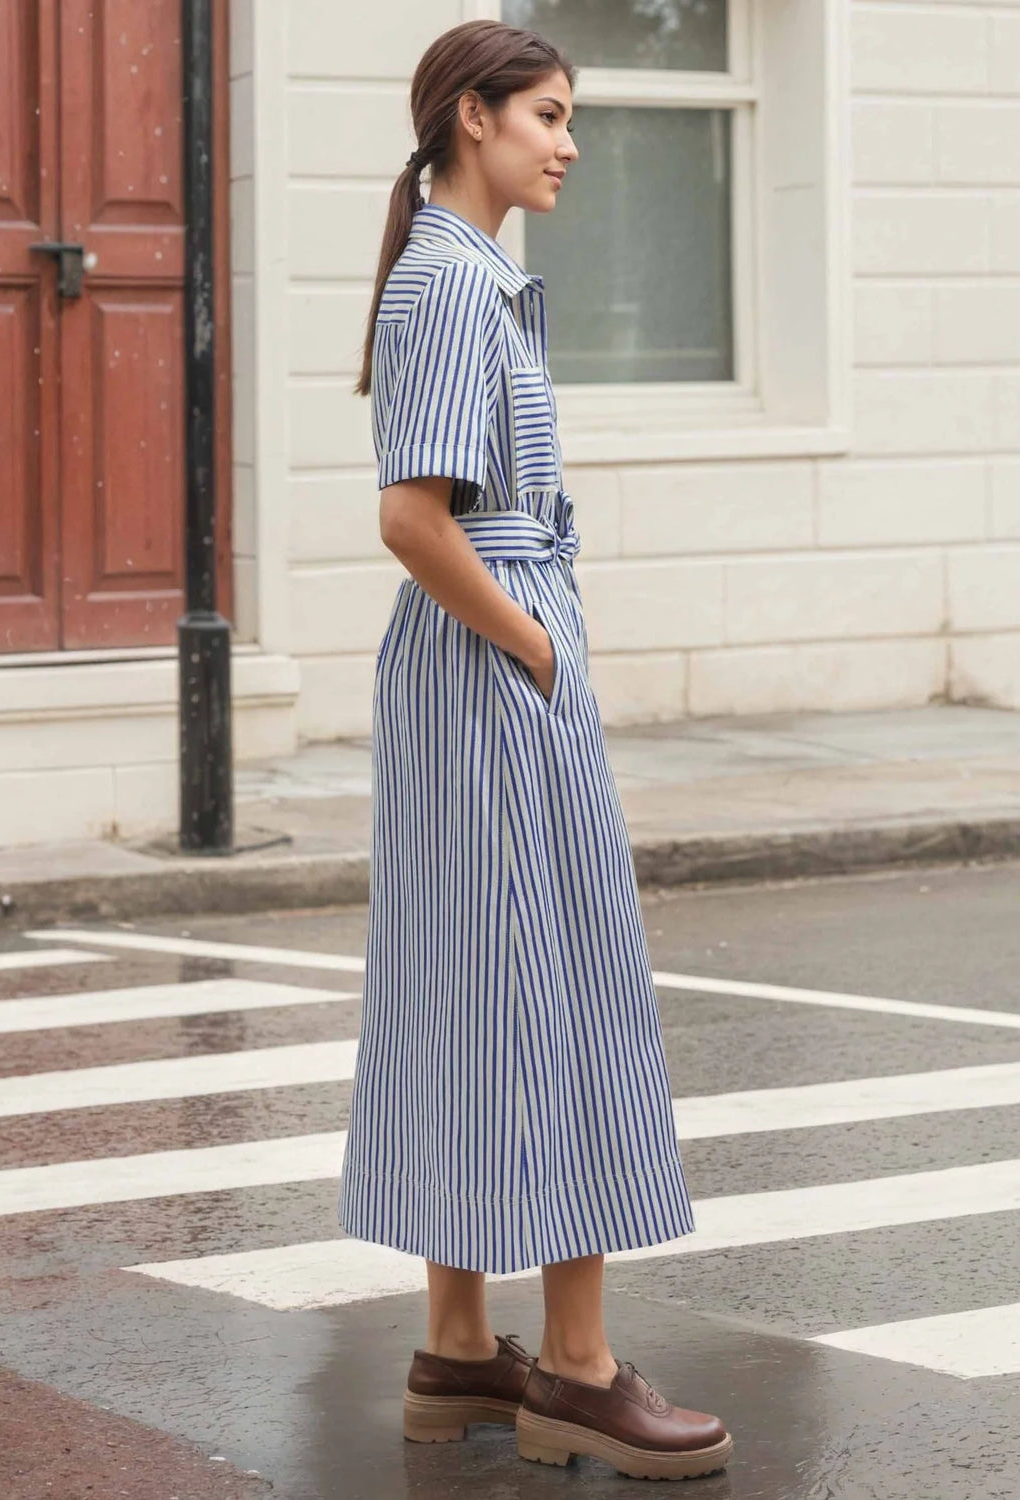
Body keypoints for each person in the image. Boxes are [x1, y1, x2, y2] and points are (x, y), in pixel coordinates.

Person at [338, 17, 733, 1484]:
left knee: (463, 987)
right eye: (549, 114)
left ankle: (455, 1341)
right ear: (469, 118)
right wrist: (534, 643)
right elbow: (410, 516)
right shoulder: (452, 285)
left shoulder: (457, 273)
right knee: (559, 987)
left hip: (469, 667)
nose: (568, 142)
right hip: (494, 664)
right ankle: (572, 1367)